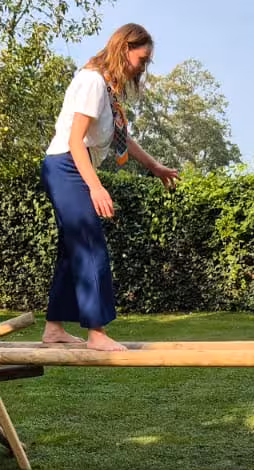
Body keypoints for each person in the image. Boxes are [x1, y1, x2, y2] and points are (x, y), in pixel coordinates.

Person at [40, 23, 180, 352]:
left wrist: (154, 166)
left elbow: (121, 137)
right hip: (68, 164)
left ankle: (54, 329)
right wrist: (95, 187)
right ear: (123, 48)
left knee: (72, 250)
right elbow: (76, 141)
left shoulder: (106, 87)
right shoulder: (91, 81)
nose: (142, 67)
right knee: (90, 245)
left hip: (71, 165)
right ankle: (97, 333)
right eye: (141, 59)